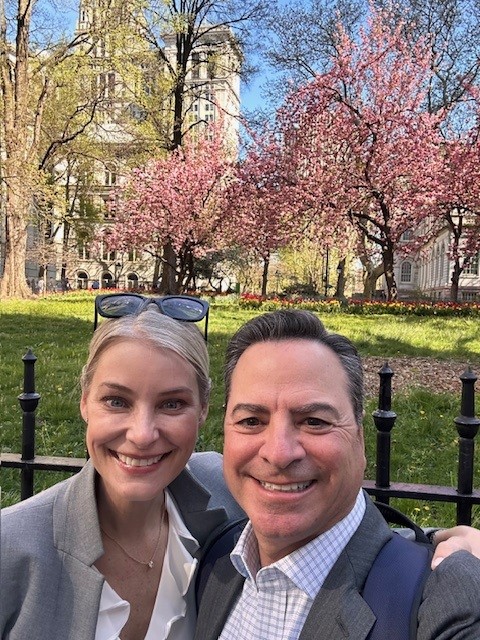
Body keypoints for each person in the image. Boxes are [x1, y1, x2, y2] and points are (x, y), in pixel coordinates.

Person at [194, 309, 480, 640]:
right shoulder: (212, 557)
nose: (279, 453)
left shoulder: (445, 597)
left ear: (360, 439)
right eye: (251, 421)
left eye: (314, 421)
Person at [1, 300, 244, 640]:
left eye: (172, 404)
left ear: (203, 409)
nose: (142, 434)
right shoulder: (10, 548)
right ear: (85, 401)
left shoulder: (231, 496)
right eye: (117, 401)